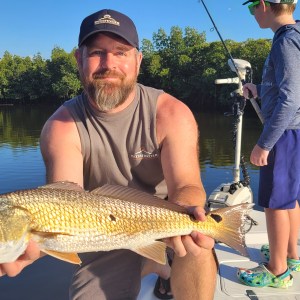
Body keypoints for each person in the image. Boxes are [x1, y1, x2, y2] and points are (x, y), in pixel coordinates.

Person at [0, 9, 218, 299]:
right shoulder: (60, 127)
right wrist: (26, 253)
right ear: (79, 59)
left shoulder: (171, 113)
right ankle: (159, 267)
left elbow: (187, 186)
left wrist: (184, 219)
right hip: (101, 231)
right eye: (96, 53)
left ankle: (163, 263)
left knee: (198, 248)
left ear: (138, 61)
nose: (108, 64)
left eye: (121, 52)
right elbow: (64, 202)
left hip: (166, 217)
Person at [237, 0, 300, 288]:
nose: (252, 14)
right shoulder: (294, 36)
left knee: (275, 204)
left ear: (264, 5)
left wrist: (264, 144)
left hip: (284, 133)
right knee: (289, 198)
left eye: (251, 8)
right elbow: (287, 87)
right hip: (294, 132)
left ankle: (277, 270)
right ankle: (291, 254)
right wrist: (259, 89)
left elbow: (290, 99)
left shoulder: (284, 42)